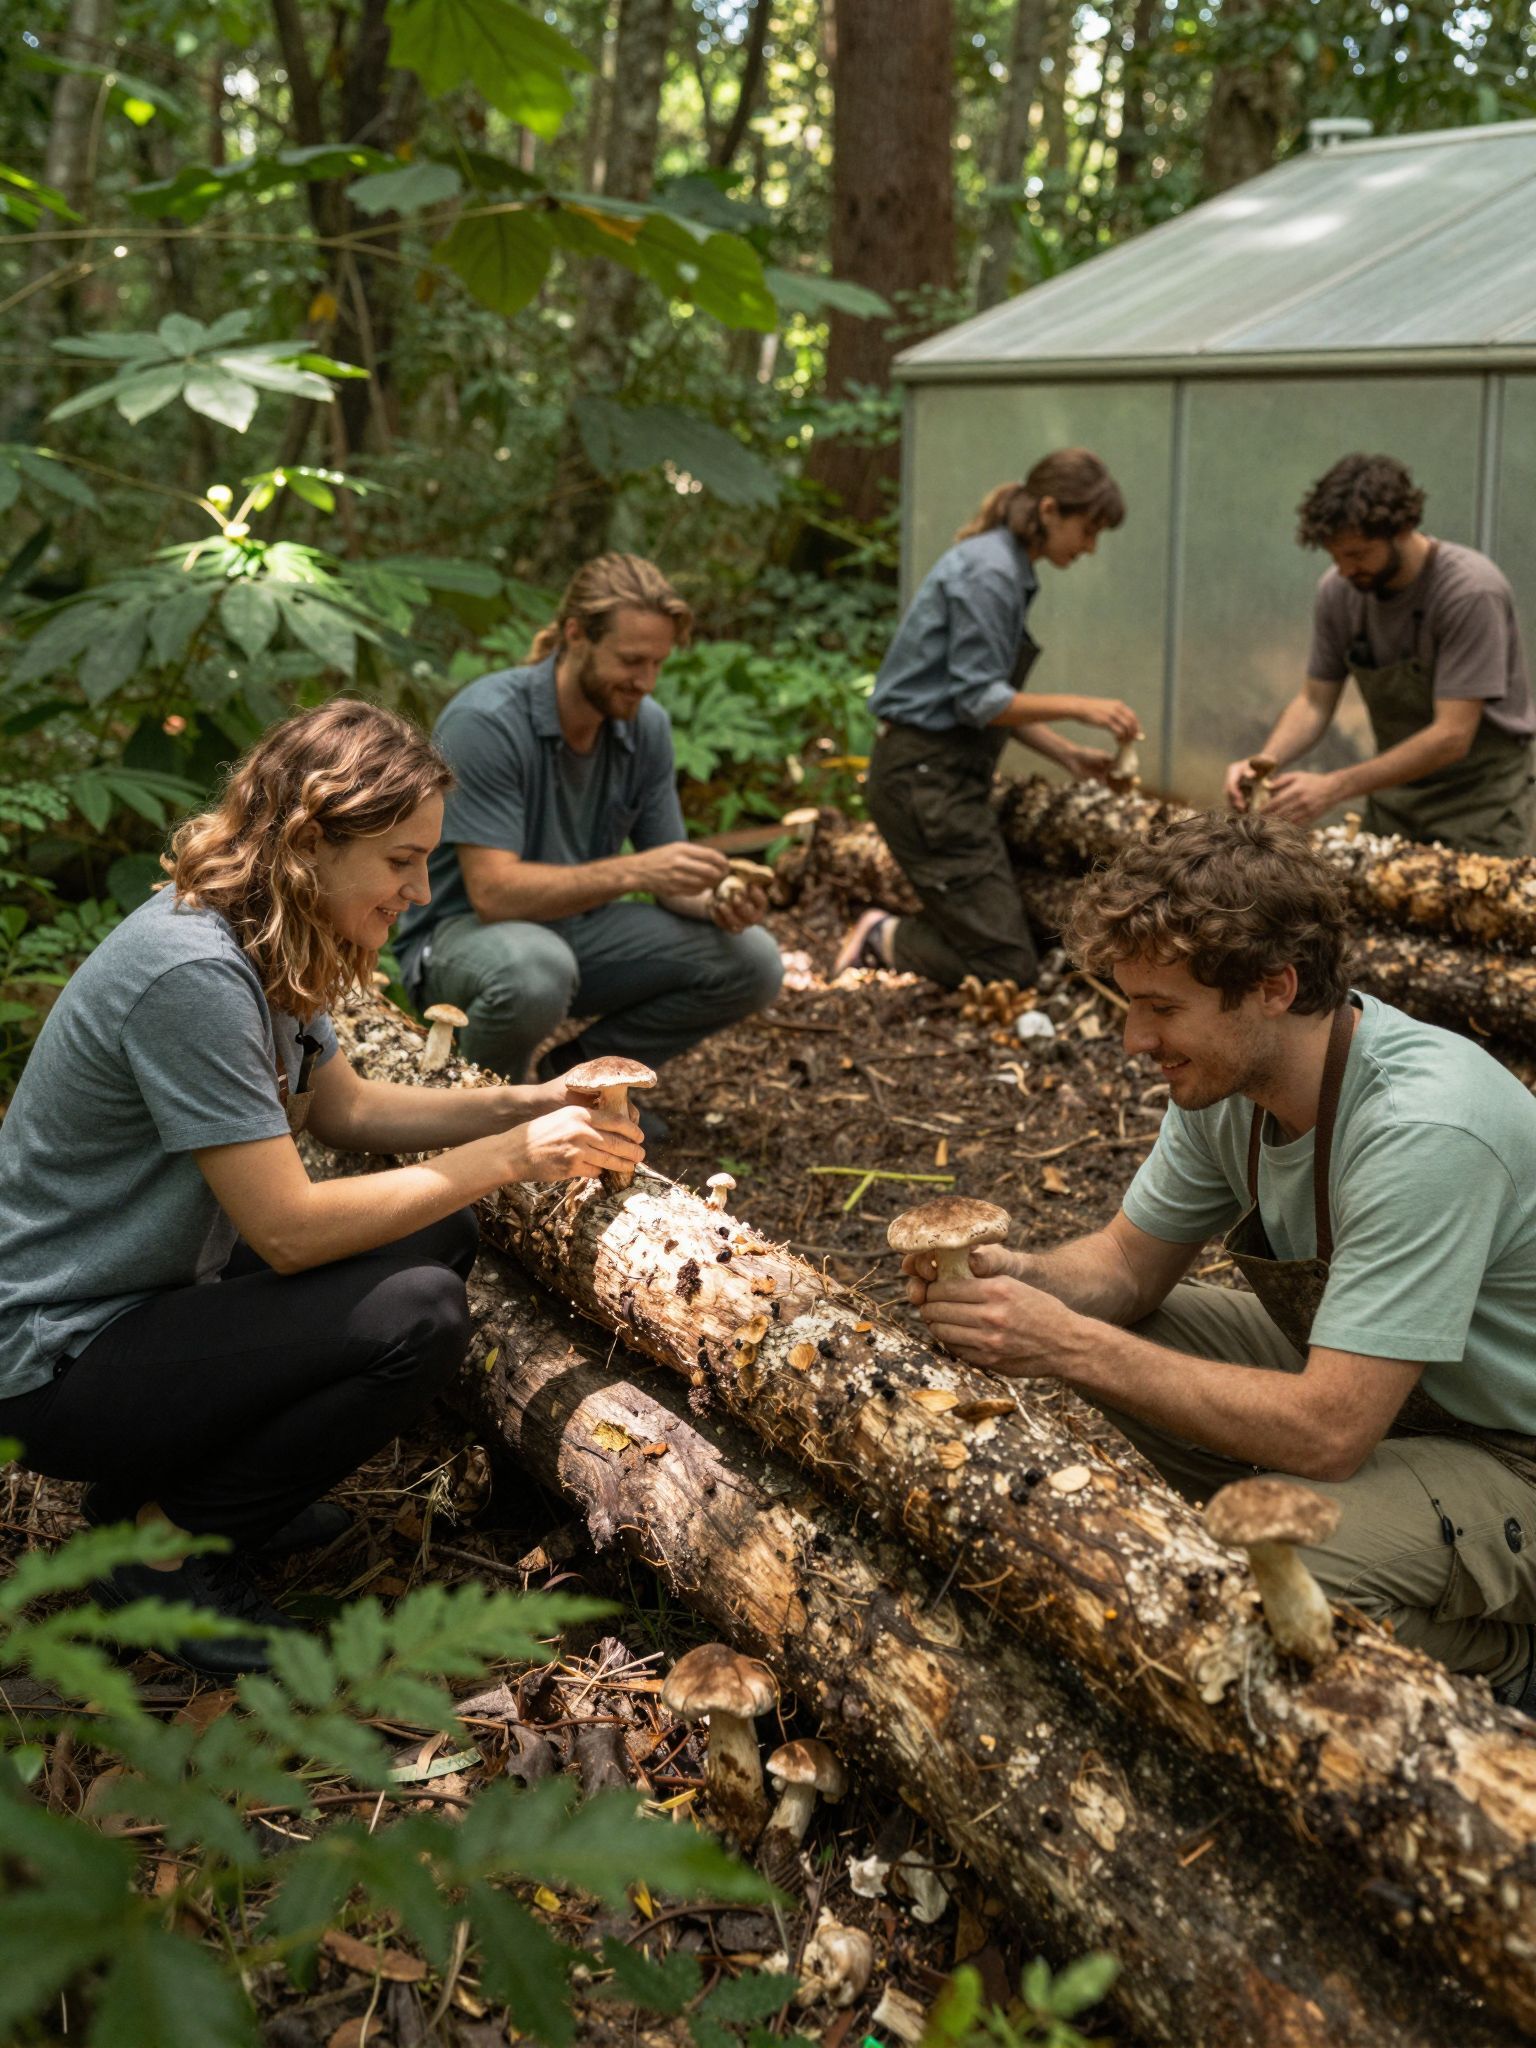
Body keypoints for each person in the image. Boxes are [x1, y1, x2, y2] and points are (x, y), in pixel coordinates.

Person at [0, 700, 641, 1677]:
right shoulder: (192, 971)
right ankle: (169, 1556)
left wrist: (529, 1100)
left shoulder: (265, 938)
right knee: (419, 1313)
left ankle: (158, 1493)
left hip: (151, 1299)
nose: (419, 889)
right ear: (309, 840)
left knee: (435, 1241)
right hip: (54, 1352)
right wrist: (514, 1155)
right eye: (399, 860)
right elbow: (290, 1231)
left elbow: (343, 1110)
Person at [901, 811, 1536, 1706]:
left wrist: (1063, 1346)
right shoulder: (1228, 1089)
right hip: (1402, 1397)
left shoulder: (1423, 1129)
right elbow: (1125, 1269)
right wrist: (1022, 1281)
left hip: (1511, 1451)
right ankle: (1369, 1534)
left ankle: (1505, 1664)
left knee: (1259, 1584)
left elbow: (1330, 1429)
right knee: (1128, 1321)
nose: (1135, 1040)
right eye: (1131, 1004)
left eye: (1164, 1009)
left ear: (1274, 988)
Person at [393, 554, 782, 1102]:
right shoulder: (488, 721)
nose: (645, 681)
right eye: (630, 660)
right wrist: (636, 870)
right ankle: (482, 1109)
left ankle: (580, 1086)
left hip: (577, 929)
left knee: (753, 960)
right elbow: (494, 894)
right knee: (536, 969)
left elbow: (672, 878)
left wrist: (717, 899)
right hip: (465, 938)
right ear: (575, 635)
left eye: (657, 663)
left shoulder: (644, 728)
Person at [833, 449, 1140, 989]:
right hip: (924, 783)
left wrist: (1066, 753)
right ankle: (883, 936)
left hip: (940, 781)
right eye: (1087, 530)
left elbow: (982, 699)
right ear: (1049, 510)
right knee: (1007, 970)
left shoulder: (1002, 564)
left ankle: (931, 930)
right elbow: (979, 700)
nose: (1089, 547)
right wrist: (1082, 707)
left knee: (1006, 941)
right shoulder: (991, 572)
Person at [1224, 452, 1536, 855]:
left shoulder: (1469, 591)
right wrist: (1263, 763)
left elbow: (1452, 736)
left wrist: (1333, 787)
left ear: (1402, 529)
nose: (1346, 569)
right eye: (1336, 556)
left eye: (1357, 554)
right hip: (1394, 798)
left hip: (1478, 805)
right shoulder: (1339, 592)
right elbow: (1314, 702)